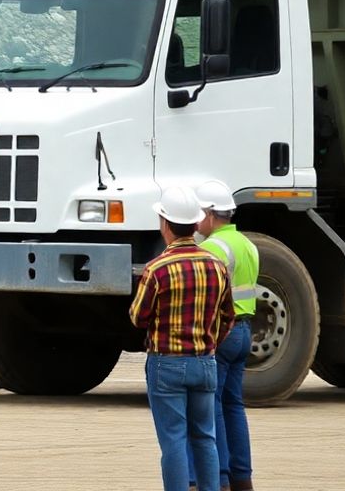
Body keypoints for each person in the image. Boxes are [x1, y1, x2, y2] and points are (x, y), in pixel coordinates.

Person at [131, 186, 235, 491]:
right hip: (205, 363)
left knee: (174, 440)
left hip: (166, 364)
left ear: (165, 224)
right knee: (205, 438)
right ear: (195, 224)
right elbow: (227, 315)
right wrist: (210, 343)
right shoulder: (216, 266)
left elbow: (138, 317)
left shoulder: (157, 269)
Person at [192, 179, 259, 491]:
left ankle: (217, 478)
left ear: (209, 214)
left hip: (221, 332)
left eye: (198, 214)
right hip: (245, 331)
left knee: (211, 406)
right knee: (234, 404)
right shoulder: (248, 245)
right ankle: (242, 477)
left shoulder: (210, 249)